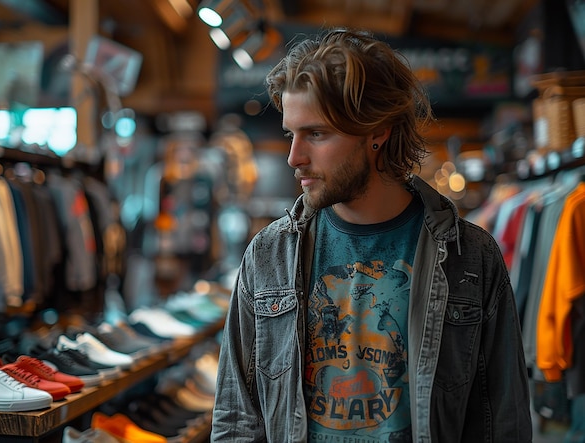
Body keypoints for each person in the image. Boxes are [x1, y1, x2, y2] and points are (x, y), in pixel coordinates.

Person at [211, 27, 532, 442]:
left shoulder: (469, 256)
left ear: (378, 131)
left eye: (317, 134)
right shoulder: (269, 255)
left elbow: (500, 421)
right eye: (292, 134)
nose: (295, 157)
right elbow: (237, 419)